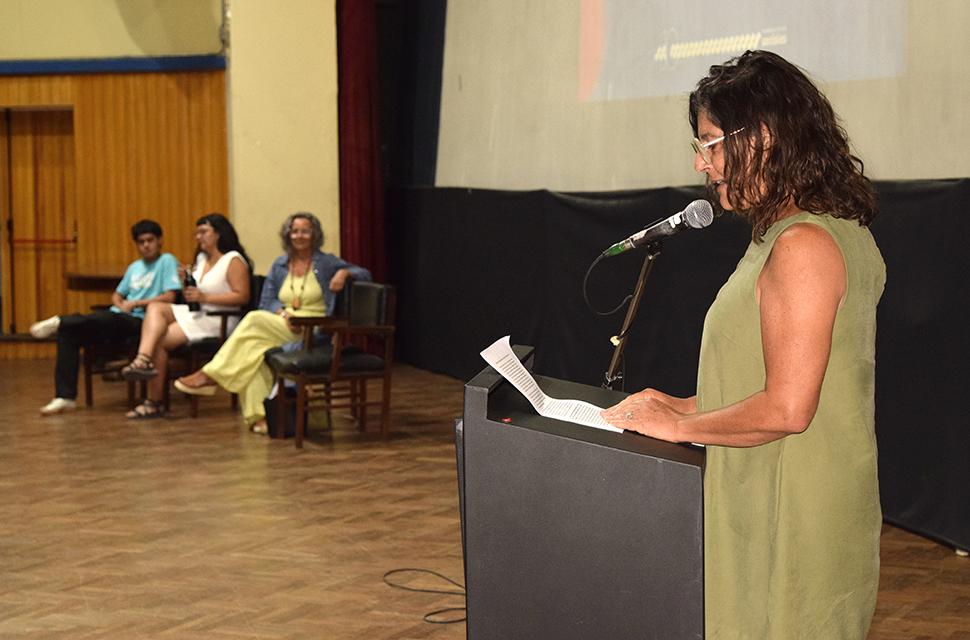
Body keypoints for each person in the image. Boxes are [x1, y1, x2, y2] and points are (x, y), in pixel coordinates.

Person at [601, 51, 885, 639]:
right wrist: (680, 405)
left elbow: (788, 408)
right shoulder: (796, 231)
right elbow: (777, 377)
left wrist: (680, 429)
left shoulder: (803, 244)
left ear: (759, 137)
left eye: (708, 143)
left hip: (793, 506)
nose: (703, 166)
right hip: (771, 488)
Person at [173, 211, 372, 434]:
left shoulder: (326, 262)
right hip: (285, 324)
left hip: (314, 329)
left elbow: (364, 274)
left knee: (254, 320)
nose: (299, 236)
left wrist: (344, 273)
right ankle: (259, 419)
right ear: (288, 235)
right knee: (253, 355)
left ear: (315, 235)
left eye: (305, 231)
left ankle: (211, 375)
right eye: (295, 231)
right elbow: (266, 301)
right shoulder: (280, 265)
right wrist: (281, 312)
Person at [32, 219, 182, 415]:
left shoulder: (167, 261)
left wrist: (135, 304)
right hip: (120, 316)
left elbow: (170, 296)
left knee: (106, 319)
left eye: (150, 240)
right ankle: (65, 397)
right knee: (69, 334)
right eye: (141, 242)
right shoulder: (134, 267)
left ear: (159, 241)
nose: (146, 245)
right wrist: (120, 303)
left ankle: (62, 320)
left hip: (145, 322)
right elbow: (117, 294)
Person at [120, 213, 252, 419]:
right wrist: (187, 283)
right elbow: (196, 294)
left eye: (203, 232)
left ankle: (154, 401)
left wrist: (205, 296)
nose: (198, 237)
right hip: (199, 313)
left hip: (220, 318)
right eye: (197, 233)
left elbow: (242, 296)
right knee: (156, 306)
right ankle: (142, 359)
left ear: (218, 234)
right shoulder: (201, 259)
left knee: (160, 339)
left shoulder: (232, 259)